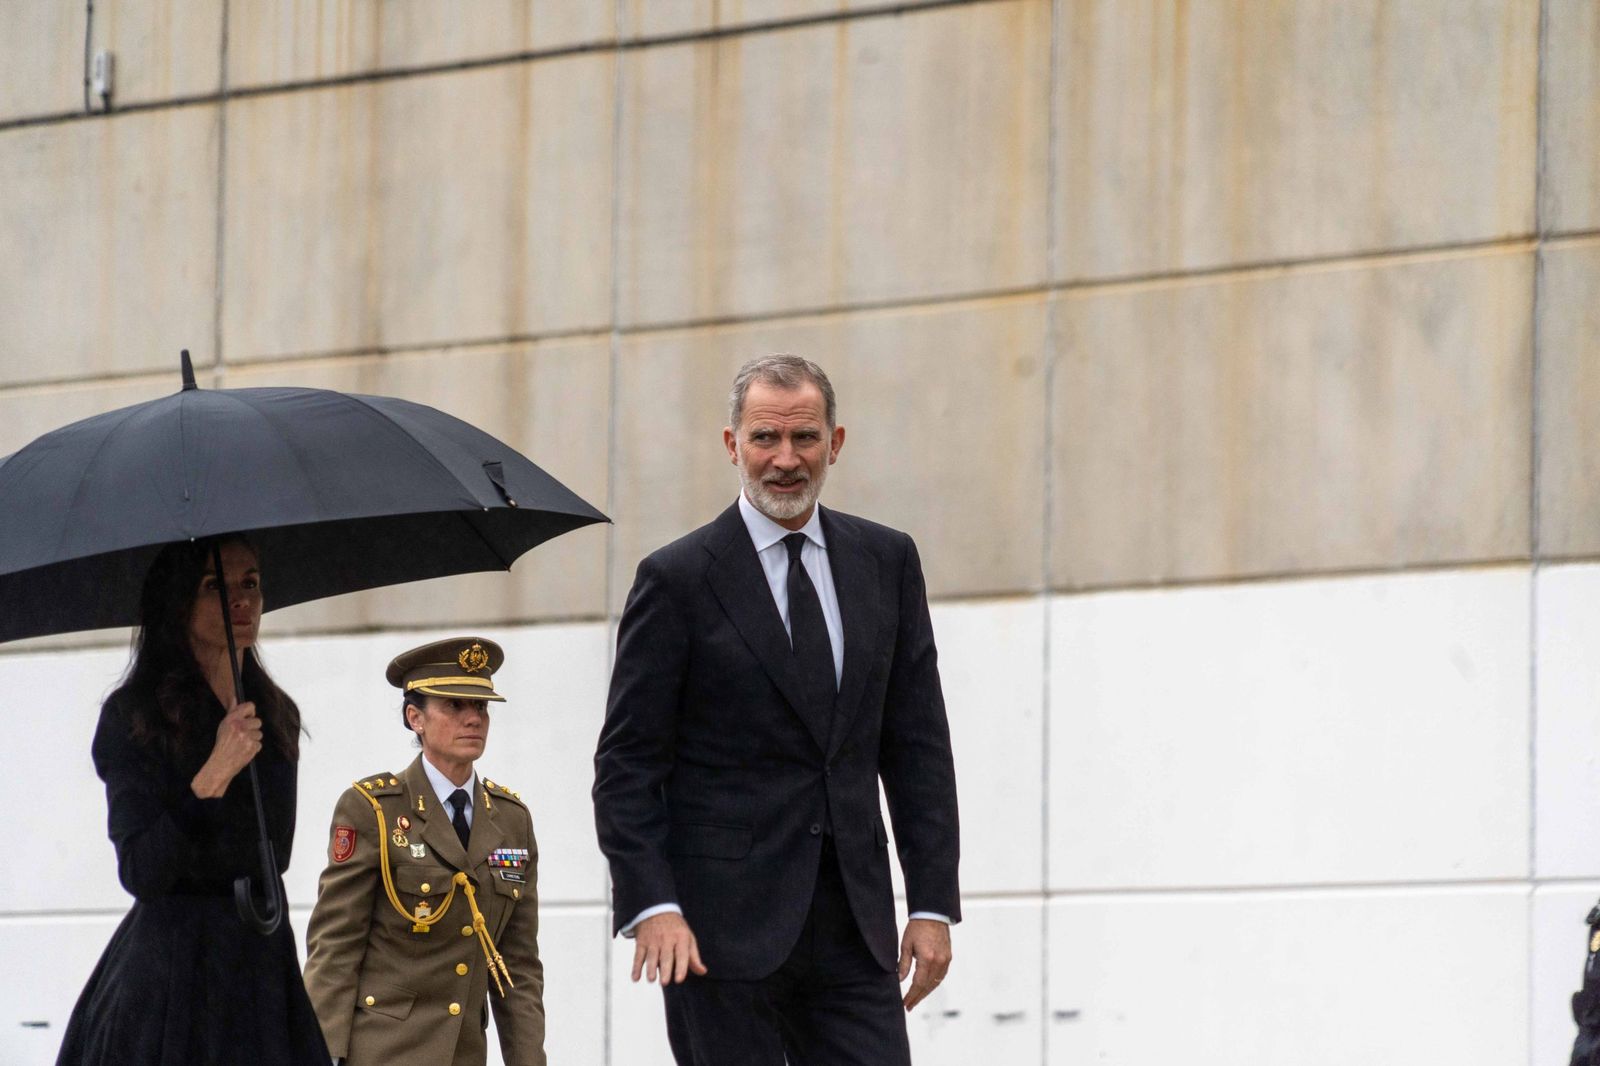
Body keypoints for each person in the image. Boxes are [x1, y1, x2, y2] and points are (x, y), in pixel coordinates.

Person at [593, 354, 962, 1065]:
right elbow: (628, 764)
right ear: (732, 444)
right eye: (765, 438)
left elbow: (918, 746)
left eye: (805, 439)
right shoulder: (676, 580)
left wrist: (930, 903)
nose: (785, 460)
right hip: (715, 936)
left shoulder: (887, 561)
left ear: (836, 442)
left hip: (855, 930)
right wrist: (651, 905)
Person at [57, 536, 331, 1065]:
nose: (241, 600)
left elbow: (275, 857)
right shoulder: (135, 717)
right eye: (216, 586)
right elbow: (141, 871)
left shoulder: (274, 715)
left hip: (259, 964)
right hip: (172, 976)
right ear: (177, 602)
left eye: (250, 582)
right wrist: (213, 774)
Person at [303, 636, 545, 1066]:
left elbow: (518, 967)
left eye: (482, 707)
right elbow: (335, 951)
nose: (474, 718)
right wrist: (320, 1056)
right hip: (383, 1052)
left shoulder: (511, 821)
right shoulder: (373, 809)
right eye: (454, 705)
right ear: (415, 717)